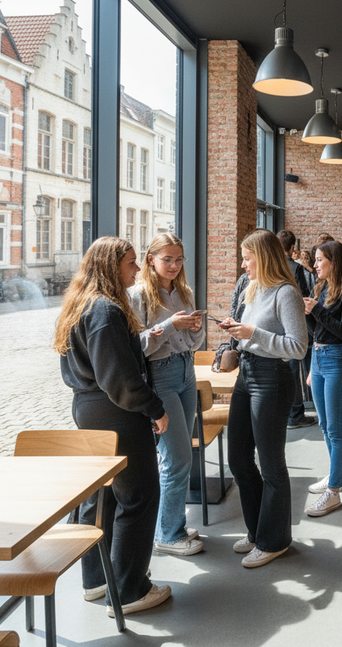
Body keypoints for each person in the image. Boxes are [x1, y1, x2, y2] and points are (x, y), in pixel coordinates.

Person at [54, 236, 171, 614]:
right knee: (138, 497)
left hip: (89, 411)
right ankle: (130, 590)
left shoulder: (79, 305)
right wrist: (156, 409)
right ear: (110, 267)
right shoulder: (104, 310)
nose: (137, 269)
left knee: (101, 498)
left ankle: (98, 581)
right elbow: (121, 381)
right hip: (116, 414)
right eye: (131, 263)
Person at [221, 230, 308, 568]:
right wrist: (237, 331)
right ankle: (258, 530)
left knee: (271, 464)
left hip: (272, 378)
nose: (243, 265)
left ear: (265, 257)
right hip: (247, 373)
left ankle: (274, 540)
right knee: (238, 458)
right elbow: (250, 334)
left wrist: (253, 334)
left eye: (247, 258)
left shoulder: (286, 293)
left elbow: (298, 347)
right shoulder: (251, 288)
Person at [129, 234, 205, 557]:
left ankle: (170, 524)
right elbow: (138, 347)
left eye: (179, 259)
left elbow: (195, 343)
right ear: (150, 259)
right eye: (167, 260)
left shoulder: (184, 291)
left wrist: (195, 329)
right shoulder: (138, 297)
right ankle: (168, 535)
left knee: (177, 455)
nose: (174, 266)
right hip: (160, 375)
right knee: (178, 459)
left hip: (187, 372)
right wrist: (173, 326)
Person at [303, 240, 342, 516]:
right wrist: (308, 313)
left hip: (338, 359)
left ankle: (334, 491)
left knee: (336, 429)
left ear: (333, 262)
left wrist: (315, 310)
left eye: (319, 260)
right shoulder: (322, 287)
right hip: (318, 359)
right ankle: (338, 474)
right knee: (325, 425)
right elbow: (319, 331)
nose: (315, 265)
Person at [276, 229, 315, 430]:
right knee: (293, 371)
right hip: (292, 326)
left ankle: (283, 413)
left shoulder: (270, 267)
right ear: (293, 248)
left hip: (274, 327)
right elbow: (303, 298)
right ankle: (295, 414)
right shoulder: (295, 268)